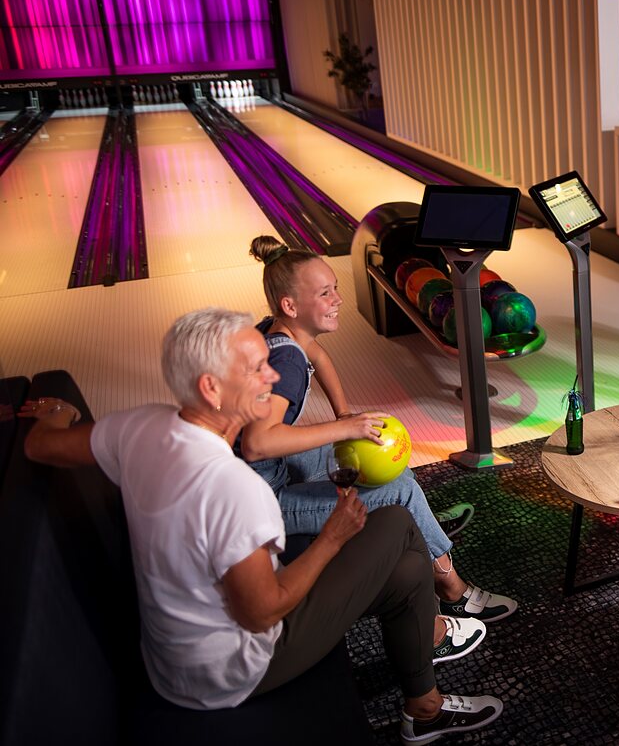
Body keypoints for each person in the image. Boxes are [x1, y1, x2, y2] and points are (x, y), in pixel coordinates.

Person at [20, 308, 502, 742]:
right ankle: (432, 657)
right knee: (395, 521)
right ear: (211, 388)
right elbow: (261, 612)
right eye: (256, 368)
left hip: (174, 655)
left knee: (408, 568)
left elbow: (40, 447)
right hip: (230, 672)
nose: (273, 374)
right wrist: (331, 538)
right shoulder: (235, 489)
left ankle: (425, 705)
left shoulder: (141, 425)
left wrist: (57, 415)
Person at [240, 236, 516, 624]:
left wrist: (344, 415)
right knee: (400, 488)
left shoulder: (276, 332)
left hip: (264, 476)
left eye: (335, 287)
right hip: (262, 505)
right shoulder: (286, 362)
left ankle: (424, 529)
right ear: (290, 305)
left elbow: (318, 356)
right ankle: (452, 589)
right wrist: (342, 428)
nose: (338, 299)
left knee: (391, 464)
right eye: (324, 293)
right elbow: (257, 443)